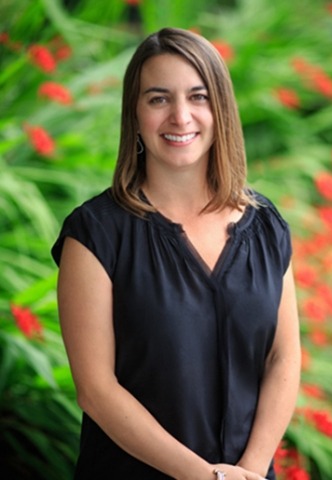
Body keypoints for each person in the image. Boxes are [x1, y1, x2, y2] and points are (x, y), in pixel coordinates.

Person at [52, 27, 301, 480]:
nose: (181, 116)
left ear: (220, 109)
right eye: (159, 98)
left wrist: (248, 469)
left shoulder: (266, 227)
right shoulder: (95, 235)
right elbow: (95, 389)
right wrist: (208, 477)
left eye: (199, 96)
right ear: (136, 113)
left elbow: (284, 356)